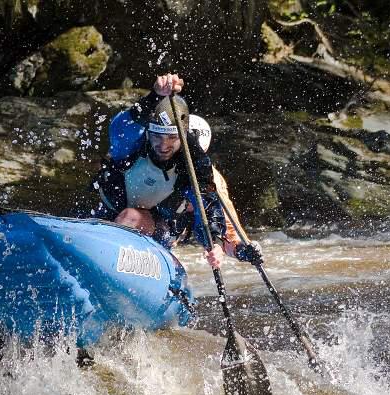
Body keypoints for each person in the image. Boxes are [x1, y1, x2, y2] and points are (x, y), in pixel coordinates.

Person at [91, 73, 262, 269]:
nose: (164, 147)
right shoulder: (135, 144)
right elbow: (124, 125)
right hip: (111, 213)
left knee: (131, 217)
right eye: (158, 137)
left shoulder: (200, 171)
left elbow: (223, 226)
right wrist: (155, 95)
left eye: (173, 139)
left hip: (159, 227)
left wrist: (235, 248)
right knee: (126, 215)